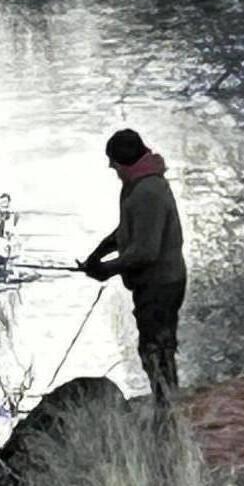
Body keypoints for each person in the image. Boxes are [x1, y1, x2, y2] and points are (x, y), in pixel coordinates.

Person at [78, 127, 187, 404]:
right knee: (157, 346)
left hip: (160, 284)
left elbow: (145, 251)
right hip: (158, 282)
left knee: (155, 349)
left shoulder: (147, 192)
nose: (112, 167)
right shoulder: (140, 186)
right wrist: (99, 253)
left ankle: (166, 405)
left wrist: (108, 268)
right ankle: (167, 400)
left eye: (114, 162)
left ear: (124, 160)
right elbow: (128, 231)